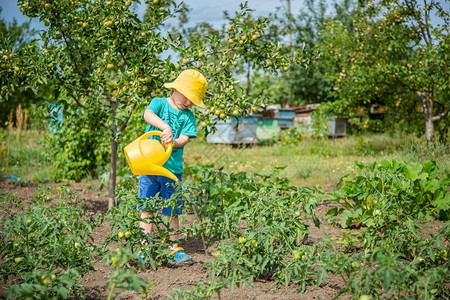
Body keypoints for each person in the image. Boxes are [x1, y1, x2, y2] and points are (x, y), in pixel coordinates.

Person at [138, 69, 207, 263]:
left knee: (172, 211)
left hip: (172, 170)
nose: (188, 103)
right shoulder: (159, 104)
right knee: (147, 208)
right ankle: (144, 247)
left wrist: (172, 143)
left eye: (193, 100)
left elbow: (184, 138)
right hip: (149, 166)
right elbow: (147, 115)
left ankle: (173, 249)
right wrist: (165, 127)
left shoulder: (188, 116)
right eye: (187, 97)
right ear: (176, 88)